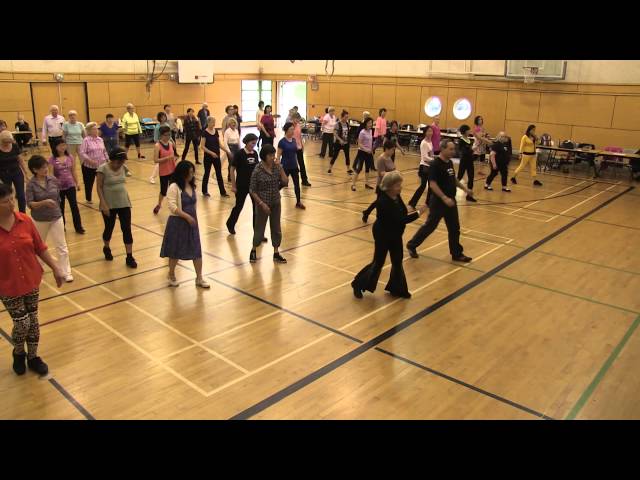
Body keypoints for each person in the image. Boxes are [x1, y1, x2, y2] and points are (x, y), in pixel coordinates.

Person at [0, 182, 64, 376]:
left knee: (33, 322)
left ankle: (33, 357)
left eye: (12, 198)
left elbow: (40, 247)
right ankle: (18, 353)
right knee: (22, 323)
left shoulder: (25, 221)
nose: (11, 204)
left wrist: (56, 268)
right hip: (7, 284)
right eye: (4, 202)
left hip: (30, 279)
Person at [352, 171, 427, 300]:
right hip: (383, 234)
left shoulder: (396, 196)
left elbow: (402, 212)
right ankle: (358, 284)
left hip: (395, 233)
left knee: (397, 261)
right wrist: (420, 212)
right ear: (390, 186)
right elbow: (401, 219)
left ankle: (397, 289)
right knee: (378, 262)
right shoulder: (383, 202)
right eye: (398, 185)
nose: (400, 187)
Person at [406, 139, 474, 263]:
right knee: (430, 226)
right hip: (438, 202)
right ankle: (412, 245)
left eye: (454, 149)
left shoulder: (449, 163)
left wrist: (465, 189)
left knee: (454, 228)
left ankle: (457, 254)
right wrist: (444, 198)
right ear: (442, 149)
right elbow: (432, 184)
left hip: (450, 201)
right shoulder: (435, 164)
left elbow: (453, 179)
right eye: (451, 149)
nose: (453, 151)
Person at [160, 161, 210, 289]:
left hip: (192, 223)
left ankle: (199, 278)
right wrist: (187, 216)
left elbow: (194, 204)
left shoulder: (192, 186)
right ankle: (171, 274)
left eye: (193, 172)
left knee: (196, 250)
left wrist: (194, 219)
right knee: (175, 251)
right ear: (182, 173)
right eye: (190, 172)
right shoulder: (174, 187)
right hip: (178, 223)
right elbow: (172, 206)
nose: (192, 175)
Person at [25, 155, 74, 282]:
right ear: (35, 170)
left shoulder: (53, 179)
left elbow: (57, 196)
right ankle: (38, 271)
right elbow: (30, 204)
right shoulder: (31, 185)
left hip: (56, 217)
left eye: (46, 166)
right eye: (42, 168)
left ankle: (66, 272)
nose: (45, 169)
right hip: (40, 219)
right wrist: (44, 203)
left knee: (61, 245)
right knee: (39, 247)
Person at [96, 147, 137, 268]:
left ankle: (129, 257)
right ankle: (106, 247)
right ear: (112, 159)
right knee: (109, 228)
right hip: (109, 204)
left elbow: (128, 173)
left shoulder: (123, 167)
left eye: (123, 161)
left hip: (124, 203)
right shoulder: (102, 169)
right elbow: (99, 187)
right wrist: (103, 204)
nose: (121, 164)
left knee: (127, 229)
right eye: (119, 161)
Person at [249, 145, 289, 264]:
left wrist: (281, 168)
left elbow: (285, 182)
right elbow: (252, 190)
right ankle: (254, 249)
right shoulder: (258, 169)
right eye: (270, 155)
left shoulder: (277, 168)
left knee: (276, 228)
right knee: (259, 229)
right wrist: (261, 204)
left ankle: (276, 253)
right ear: (264, 156)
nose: (273, 157)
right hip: (263, 204)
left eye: (274, 155)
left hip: (275, 202)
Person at [226, 133, 262, 235]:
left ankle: (258, 232)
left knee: (256, 208)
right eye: (252, 143)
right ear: (246, 142)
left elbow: (256, 169)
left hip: (253, 186)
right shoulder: (239, 154)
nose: (253, 145)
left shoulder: (255, 153)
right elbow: (232, 169)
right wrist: (233, 185)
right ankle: (230, 223)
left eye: (255, 143)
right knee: (239, 206)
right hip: (241, 185)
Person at [49, 140, 84, 234]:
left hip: (70, 185)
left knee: (74, 206)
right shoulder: (52, 159)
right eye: (60, 145)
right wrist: (52, 186)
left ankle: (78, 227)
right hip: (58, 187)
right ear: (55, 147)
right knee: (61, 207)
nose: (63, 147)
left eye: (64, 145)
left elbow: (73, 171)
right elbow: (51, 174)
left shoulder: (70, 157)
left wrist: (77, 183)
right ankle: (62, 227)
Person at [362, 140, 397, 222]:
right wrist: (392, 173)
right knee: (379, 203)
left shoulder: (389, 157)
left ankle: (367, 212)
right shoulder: (381, 159)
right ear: (387, 149)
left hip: (389, 184)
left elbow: (392, 168)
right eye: (392, 149)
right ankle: (377, 218)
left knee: (380, 202)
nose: (393, 151)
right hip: (382, 185)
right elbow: (381, 173)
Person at [78, 122, 109, 204]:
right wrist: (89, 160)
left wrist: (107, 159)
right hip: (89, 166)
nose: (96, 131)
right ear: (89, 131)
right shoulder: (86, 140)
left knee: (103, 182)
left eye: (97, 129)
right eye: (94, 129)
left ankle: (104, 197)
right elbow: (82, 152)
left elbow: (104, 151)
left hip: (101, 165)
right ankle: (88, 198)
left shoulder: (100, 139)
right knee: (89, 183)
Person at [277, 122, 306, 210]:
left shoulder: (293, 140)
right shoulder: (282, 142)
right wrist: (279, 167)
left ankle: (298, 202)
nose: (293, 131)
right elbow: (278, 156)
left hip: (294, 166)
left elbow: (296, 151)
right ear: (286, 131)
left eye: (293, 129)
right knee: (282, 183)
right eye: (291, 129)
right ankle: (272, 194)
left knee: (297, 184)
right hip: (285, 166)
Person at [201, 116, 231, 198]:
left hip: (216, 156)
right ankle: (204, 191)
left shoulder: (216, 131)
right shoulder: (204, 133)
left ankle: (223, 192)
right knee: (206, 173)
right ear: (208, 122)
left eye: (214, 122)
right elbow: (202, 146)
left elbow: (219, 144)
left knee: (219, 174)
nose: (214, 124)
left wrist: (227, 151)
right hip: (208, 157)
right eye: (212, 122)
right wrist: (211, 153)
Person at [408, 125, 435, 209]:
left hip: (430, 166)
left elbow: (431, 154)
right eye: (428, 131)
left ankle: (428, 203)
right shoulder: (424, 143)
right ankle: (412, 203)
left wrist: (433, 158)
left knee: (431, 187)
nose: (430, 133)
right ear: (425, 133)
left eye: (431, 131)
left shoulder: (430, 141)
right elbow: (425, 158)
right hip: (424, 167)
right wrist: (434, 161)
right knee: (423, 186)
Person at [0, 131, 28, 213]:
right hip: (4, 174)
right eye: (6, 142)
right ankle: (9, 212)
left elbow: (21, 160)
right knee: (6, 196)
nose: (8, 144)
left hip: (17, 172)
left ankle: (23, 214)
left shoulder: (15, 146)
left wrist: (25, 172)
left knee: (21, 195)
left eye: (9, 142)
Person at [153, 126, 178, 215]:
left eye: (169, 134)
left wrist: (173, 159)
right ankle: (159, 204)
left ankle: (174, 205)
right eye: (166, 135)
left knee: (174, 189)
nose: (168, 136)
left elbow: (174, 154)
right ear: (161, 135)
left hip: (172, 170)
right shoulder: (157, 146)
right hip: (164, 171)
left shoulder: (171, 143)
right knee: (163, 191)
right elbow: (155, 160)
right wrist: (167, 158)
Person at [351, 117, 375, 191]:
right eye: (369, 123)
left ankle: (367, 184)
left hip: (368, 153)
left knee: (367, 168)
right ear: (366, 123)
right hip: (362, 152)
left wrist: (371, 150)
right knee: (359, 169)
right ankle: (353, 185)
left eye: (371, 123)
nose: (370, 124)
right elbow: (359, 144)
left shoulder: (371, 131)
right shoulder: (362, 132)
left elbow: (371, 142)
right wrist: (366, 150)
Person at [456, 124, 477, 202]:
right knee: (459, 177)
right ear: (465, 131)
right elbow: (463, 152)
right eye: (468, 130)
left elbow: (469, 151)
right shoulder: (461, 140)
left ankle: (469, 195)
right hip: (464, 161)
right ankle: (450, 190)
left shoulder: (469, 140)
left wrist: (473, 151)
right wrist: (472, 150)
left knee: (471, 178)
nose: (470, 131)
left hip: (470, 161)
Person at [328, 110, 353, 174]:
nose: (346, 118)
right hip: (338, 143)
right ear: (342, 117)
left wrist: (347, 140)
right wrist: (340, 140)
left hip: (346, 143)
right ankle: (330, 168)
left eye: (347, 117)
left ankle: (348, 169)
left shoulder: (347, 124)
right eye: (345, 117)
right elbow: (335, 133)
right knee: (335, 156)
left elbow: (348, 133)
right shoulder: (337, 124)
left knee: (347, 156)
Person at [292, 115, 311, 186]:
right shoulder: (289, 126)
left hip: (299, 148)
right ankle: (284, 180)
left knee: (302, 165)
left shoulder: (298, 125)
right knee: (289, 165)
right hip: (291, 148)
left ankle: (304, 180)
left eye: (298, 119)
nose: (297, 120)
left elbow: (299, 136)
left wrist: (302, 145)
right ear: (292, 118)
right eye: (296, 119)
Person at [224, 117, 240, 182]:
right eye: (232, 123)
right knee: (231, 163)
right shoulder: (227, 131)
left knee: (238, 163)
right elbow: (225, 143)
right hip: (230, 148)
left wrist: (240, 149)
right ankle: (230, 176)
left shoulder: (236, 130)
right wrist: (229, 152)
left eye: (234, 123)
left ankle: (238, 176)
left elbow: (238, 141)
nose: (233, 124)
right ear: (229, 124)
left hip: (237, 148)